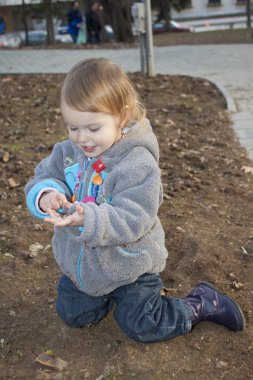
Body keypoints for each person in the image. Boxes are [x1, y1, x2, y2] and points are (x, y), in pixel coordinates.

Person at [25, 58, 245, 343]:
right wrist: (46, 194)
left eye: (93, 128)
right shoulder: (69, 151)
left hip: (130, 265)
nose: (82, 138)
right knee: (74, 315)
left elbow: (135, 217)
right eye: (73, 127)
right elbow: (44, 175)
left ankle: (201, 304)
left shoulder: (137, 163)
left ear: (122, 115)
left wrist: (87, 218)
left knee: (142, 324)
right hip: (85, 266)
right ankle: (99, 294)